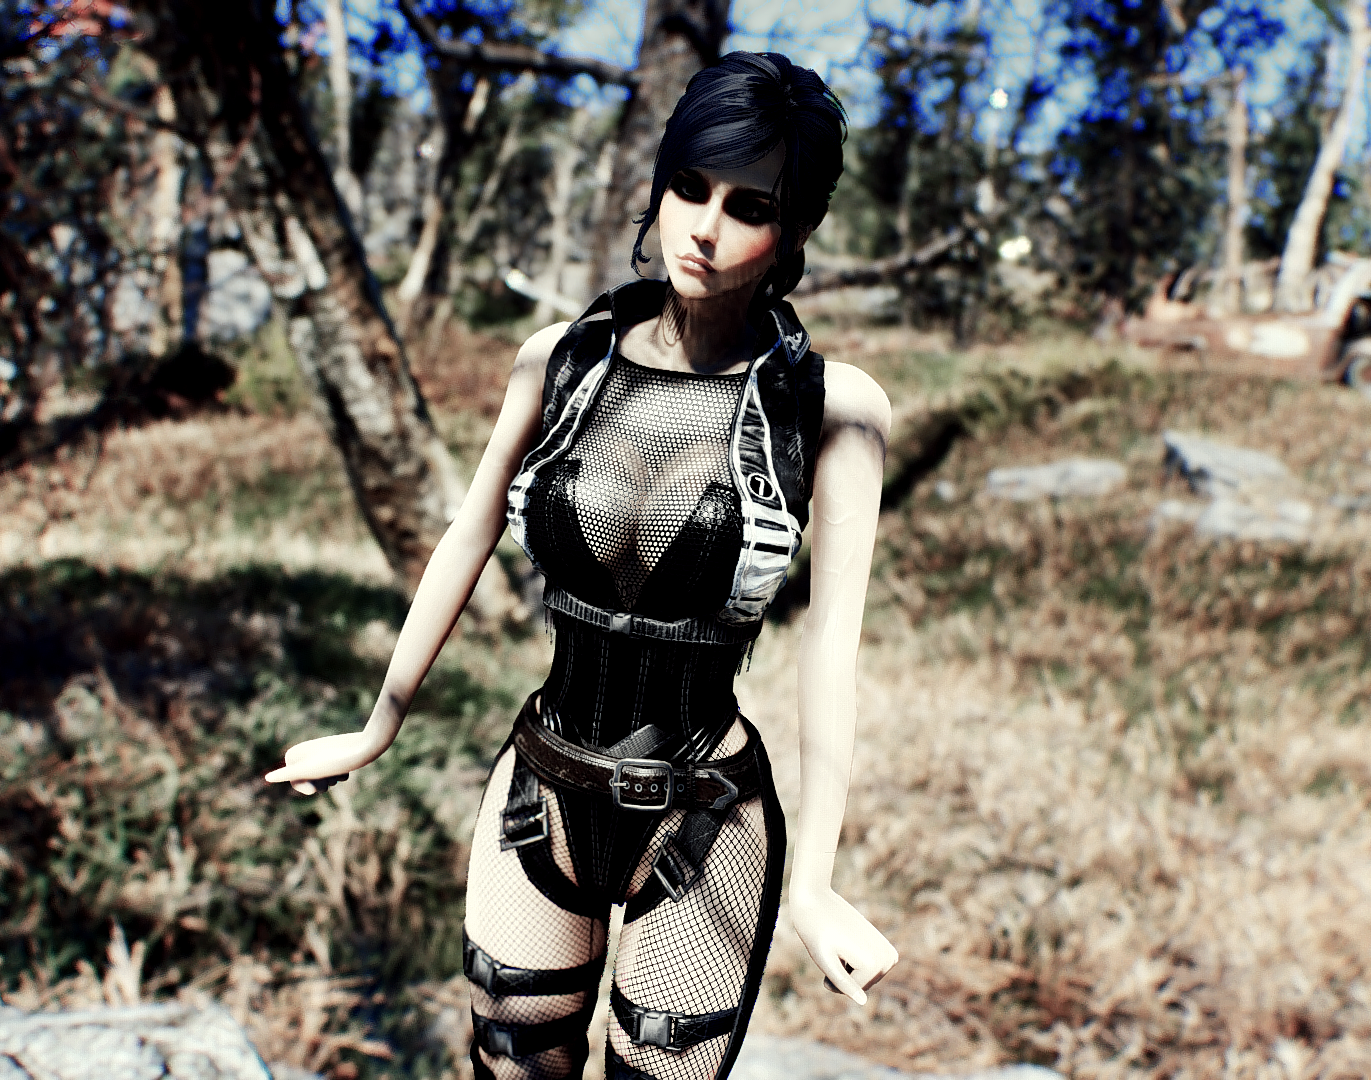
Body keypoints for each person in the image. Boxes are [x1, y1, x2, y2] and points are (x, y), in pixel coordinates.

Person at [267, 52, 898, 1080]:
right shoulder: (561, 359)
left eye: (749, 206)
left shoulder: (831, 407)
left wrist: (817, 883)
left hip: (707, 816)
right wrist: (379, 723)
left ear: (796, 230)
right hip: (538, 790)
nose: (704, 227)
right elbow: (467, 534)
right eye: (689, 186)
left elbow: (834, 644)